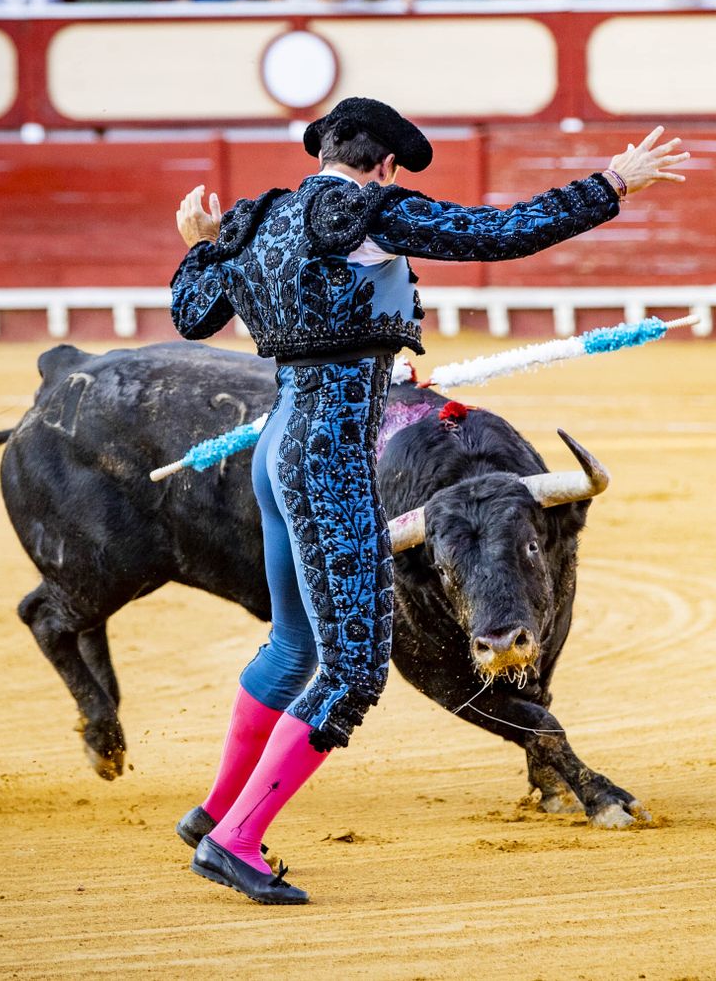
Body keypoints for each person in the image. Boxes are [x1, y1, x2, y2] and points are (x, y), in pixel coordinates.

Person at [166, 98, 687, 906]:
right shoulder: (370, 211)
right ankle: (236, 841)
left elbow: (192, 314)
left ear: (325, 153)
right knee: (353, 669)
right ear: (387, 166)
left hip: (275, 450)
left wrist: (199, 248)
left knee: (295, 646)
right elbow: (498, 234)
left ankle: (213, 812)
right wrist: (612, 183)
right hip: (333, 457)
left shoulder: (256, 219)